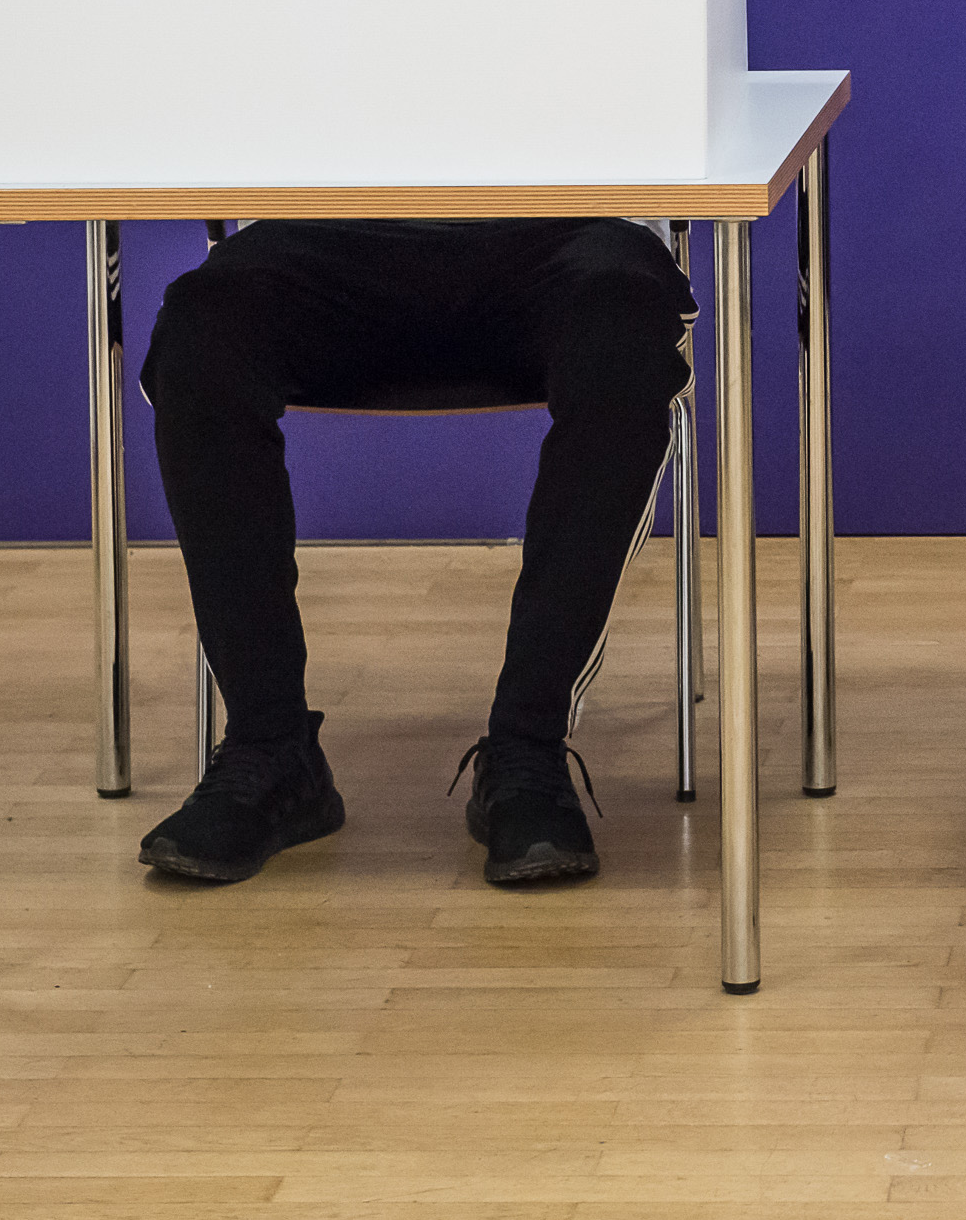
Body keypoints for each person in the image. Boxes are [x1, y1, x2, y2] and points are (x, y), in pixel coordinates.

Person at [128, 217, 693, 887]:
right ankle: (270, 747)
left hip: (571, 234)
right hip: (323, 233)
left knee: (623, 331)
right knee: (202, 330)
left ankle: (528, 747)